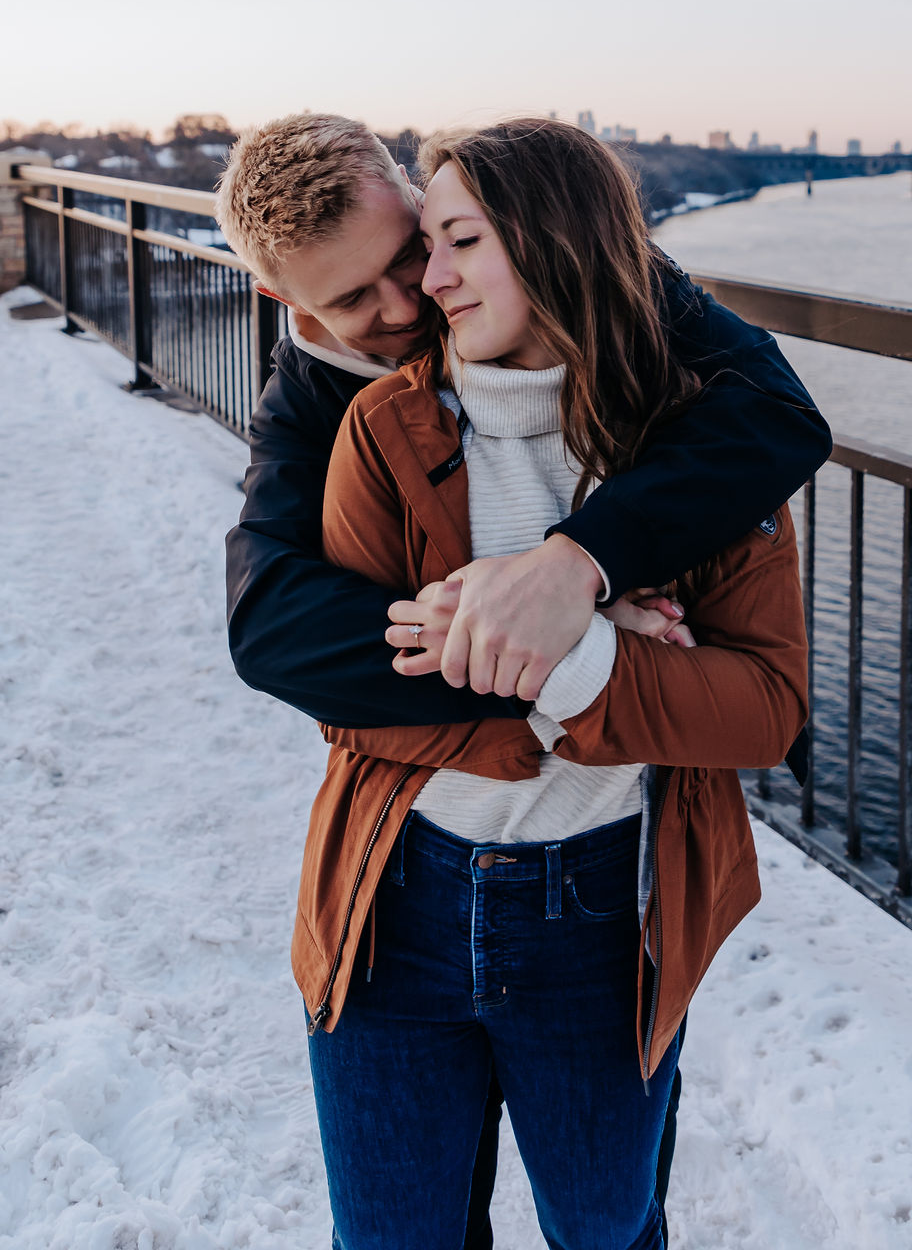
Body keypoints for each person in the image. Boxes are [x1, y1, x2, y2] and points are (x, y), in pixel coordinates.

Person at [220, 116, 810, 1248]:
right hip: (400, 887)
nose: (412, 298)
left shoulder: (679, 407)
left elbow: (778, 426)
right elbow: (282, 640)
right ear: (295, 310)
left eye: (426, 248)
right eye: (355, 300)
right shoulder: (352, 420)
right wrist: (548, 652)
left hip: (601, 899)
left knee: (606, 1224)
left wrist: (576, 567)